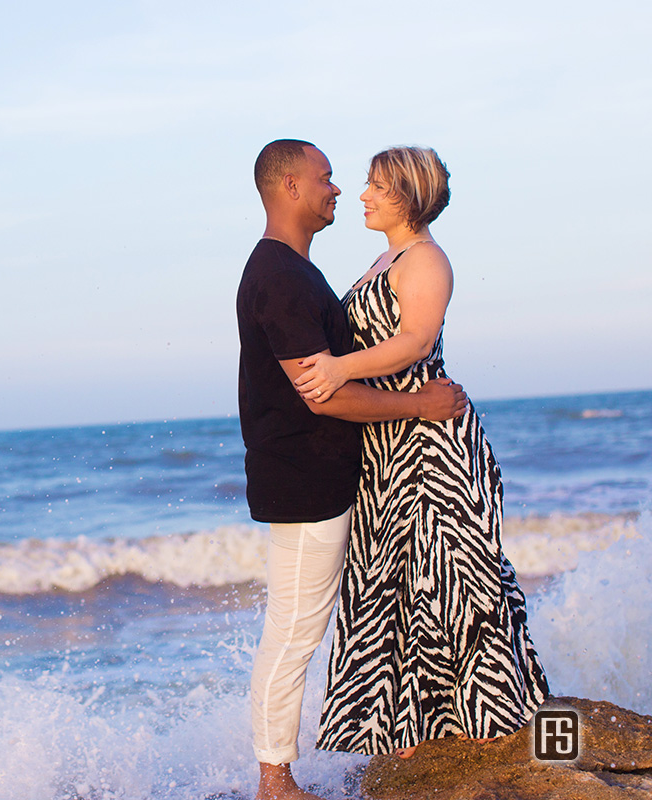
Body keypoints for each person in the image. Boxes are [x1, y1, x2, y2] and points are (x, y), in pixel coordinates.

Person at [299, 146, 550, 757]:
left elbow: (415, 341)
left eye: (376, 187)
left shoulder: (427, 259)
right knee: (392, 583)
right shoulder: (382, 259)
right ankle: (407, 730)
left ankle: (478, 722)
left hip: (431, 444)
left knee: (450, 580)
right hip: (386, 444)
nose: (361, 195)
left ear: (407, 196)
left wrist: (337, 369)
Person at [237, 139, 467, 800]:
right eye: (326, 178)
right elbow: (324, 392)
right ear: (288, 188)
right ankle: (275, 778)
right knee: (295, 629)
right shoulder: (280, 278)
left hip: (327, 474)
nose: (338, 190)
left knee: (407, 601)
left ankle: (424, 732)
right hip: (305, 478)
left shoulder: (298, 272)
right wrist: (421, 405)